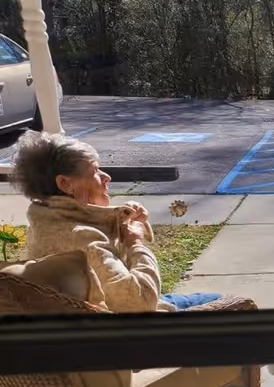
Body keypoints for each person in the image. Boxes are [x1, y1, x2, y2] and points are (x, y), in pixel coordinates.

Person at [10, 130, 219, 312]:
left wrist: (118, 221)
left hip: (78, 319)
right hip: (128, 328)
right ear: (65, 184)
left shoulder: (44, 221)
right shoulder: (84, 237)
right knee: (219, 300)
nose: (106, 177)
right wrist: (135, 243)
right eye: (95, 171)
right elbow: (140, 301)